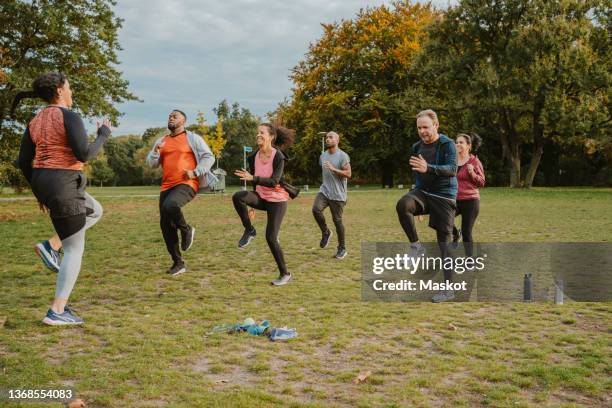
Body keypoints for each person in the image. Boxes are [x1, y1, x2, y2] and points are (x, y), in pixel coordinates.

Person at [15, 72, 110, 325]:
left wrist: (39, 190)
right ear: (59, 90)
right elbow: (84, 154)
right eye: (69, 87)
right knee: (75, 249)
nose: (71, 92)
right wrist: (103, 134)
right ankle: (57, 310)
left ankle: (51, 245)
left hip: (45, 182)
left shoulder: (34, 120)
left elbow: (24, 161)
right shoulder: (69, 116)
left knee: (95, 209)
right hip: (64, 183)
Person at [396, 109, 458, 303]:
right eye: (419, 128)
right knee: (403, 204)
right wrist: (415, 199)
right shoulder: (417, 146)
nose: (422, 131)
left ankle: (448, 289)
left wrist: (429, 168)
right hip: (423, 192)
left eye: (426, 127)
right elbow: (418, 173)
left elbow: (452, 169)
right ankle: (416, 246)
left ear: (436, 126)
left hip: (444, 196)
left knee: (444, 245)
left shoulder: (447, 145)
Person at [146, 110, 215, 276]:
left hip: (187, 183)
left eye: (175, 116)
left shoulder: (193, 138)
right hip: (166, 186)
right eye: (169, 115)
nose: (171, 118)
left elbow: (209, 157)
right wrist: (155, 151)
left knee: (171, 205)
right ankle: (178, 263)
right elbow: (151, 164)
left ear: (183, 121)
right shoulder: (162, 141)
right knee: (166, 225)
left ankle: (186, 230)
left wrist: (196, 172)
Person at [232, 123, 295, 286]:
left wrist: (253, 178)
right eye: (257, 133)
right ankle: (250, 230)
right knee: (238, 196)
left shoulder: (278, 156)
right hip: (261, 196)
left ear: (271, 137)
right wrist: (252, 204)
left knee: (271, 238)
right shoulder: (253, 157)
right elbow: (255, 185)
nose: (258, 135)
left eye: (262, 133)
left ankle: (285, 274)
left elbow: (274, 181)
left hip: (277, 200)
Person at [312, 131, 351, 259]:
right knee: (316, 209)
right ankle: (326, 232)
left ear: (337, 140)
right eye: (326, 137)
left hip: (338, 195)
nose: (327, 139)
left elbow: (348, 174)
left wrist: (334, 169)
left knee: (337, 221)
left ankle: (342, 248)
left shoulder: (343, 156)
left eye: (330, 137)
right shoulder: (322, 156)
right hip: (325, 191)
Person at [453, 134, 485, 256]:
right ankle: (456, 234)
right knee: (442, 219)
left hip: (470, 201)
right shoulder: (453, 160)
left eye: (461, 142)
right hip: (454, 199)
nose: (458, 144)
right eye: (457, 142)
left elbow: (482, 182)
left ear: (469, 146)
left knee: (467, 232)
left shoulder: (474, 161)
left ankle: (469, 260)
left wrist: (472, 172)